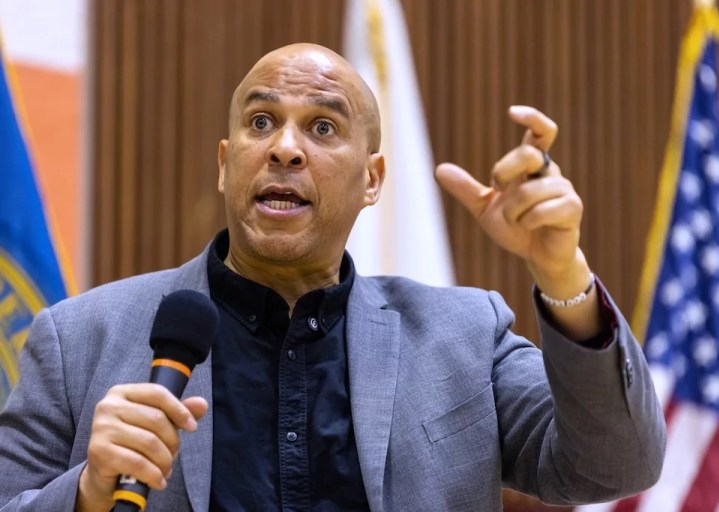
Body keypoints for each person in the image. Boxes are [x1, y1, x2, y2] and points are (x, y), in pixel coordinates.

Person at [0, 43, 664, 511]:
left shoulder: (466, 337)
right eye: (262, 122)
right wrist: (85, 496)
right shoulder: (78, 338)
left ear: (372, 178)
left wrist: (560, 271)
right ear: (227, 166)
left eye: (322, 126)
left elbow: (615, 465)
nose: (285, 147)